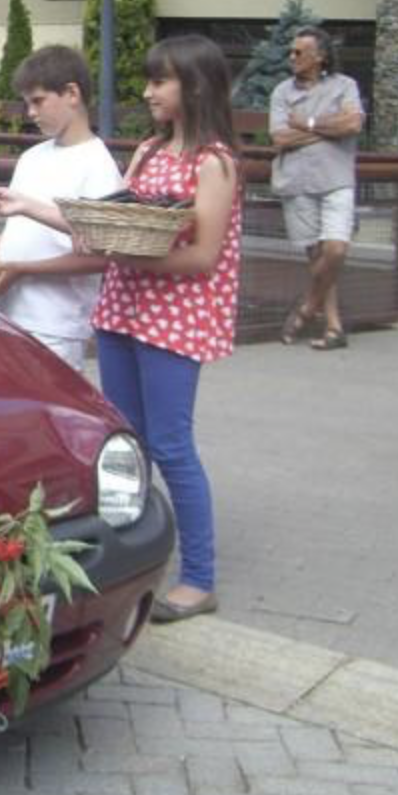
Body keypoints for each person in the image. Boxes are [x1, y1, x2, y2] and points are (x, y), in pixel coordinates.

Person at [92, 35, 242, 622]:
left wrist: (133, 259)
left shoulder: (216, 162)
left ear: (195, 86)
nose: (149, 91)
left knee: (172, 445)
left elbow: (204, 256)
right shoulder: (150, 151)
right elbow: (122, 213)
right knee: (127, 443)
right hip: (123, 308)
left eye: (161, 81)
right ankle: (127, 558)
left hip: (173, 319)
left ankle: (199, 577)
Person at [0, 46, 122, 372]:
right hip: (6, 315)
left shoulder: (98, 165)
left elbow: (99, 256)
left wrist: (23, 268)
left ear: (71, 93)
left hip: (55, 325)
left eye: (38, 101)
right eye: (27, 103)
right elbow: (26, 233)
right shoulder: (32, 157)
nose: (31, 113)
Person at [272, 26, 363, 350]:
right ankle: (334, 327)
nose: (292, 57)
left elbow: (353, 124)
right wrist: (329, 129)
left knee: (335, 250)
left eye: (299, 52)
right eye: (291, 52)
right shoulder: (283, 92)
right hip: (297, 181)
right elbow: (280, 138)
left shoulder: (344, 86)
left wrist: (307, 124)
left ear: (320, 56)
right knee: (315, 255)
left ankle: (308, 306)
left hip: (336, 178)